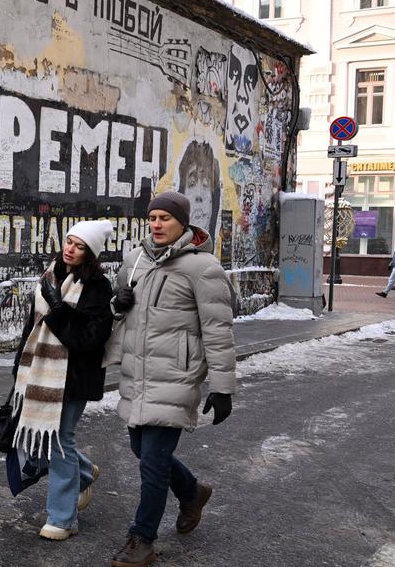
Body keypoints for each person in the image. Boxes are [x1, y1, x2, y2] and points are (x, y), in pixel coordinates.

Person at [103, 191, 235, 567]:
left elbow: (218, 330)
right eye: (153, 217)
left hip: (176, 376)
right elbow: (119, 312)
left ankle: (141, 539)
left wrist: (222, 387)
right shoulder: (134, 261)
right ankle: (192, 492)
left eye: (165, 218)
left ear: (183, 223)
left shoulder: (203, 268)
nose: (157, 224)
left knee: (153, 464)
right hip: (137, 375)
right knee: (141, 452)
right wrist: (118, 304)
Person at [12, 219, 116, 541]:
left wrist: (58, 308)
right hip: (40, 373)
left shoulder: (98, 288)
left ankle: (61, 518)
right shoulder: (51, 274)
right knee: (49, 440)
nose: (69, 249)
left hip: (74, 377)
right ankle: (83, 472)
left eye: (79, 246)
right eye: (68, 241)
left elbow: (87, 340)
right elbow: (33, 326)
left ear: (91, 254)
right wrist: (19, 367)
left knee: (59, 441)